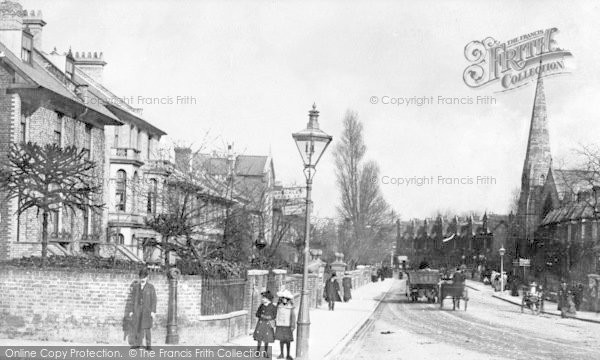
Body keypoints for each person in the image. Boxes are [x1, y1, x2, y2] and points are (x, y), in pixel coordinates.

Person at [125, 268, 157, 350]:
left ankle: (149, 346)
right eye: (141, 277)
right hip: (138, 309)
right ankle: (137, 344)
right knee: (137, 327)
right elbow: (133, 300)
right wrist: (131, 310)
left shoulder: (150, 287)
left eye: (144, 277)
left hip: (147, 310)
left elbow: (154, 300)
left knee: (147, 328)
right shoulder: (136, 287)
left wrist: (153, 311)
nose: (142, 279)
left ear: (147, 277)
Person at [275, 290, 296, 360]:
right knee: (281, 340)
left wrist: (293, 325)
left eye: (286, 299)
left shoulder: (291, 307)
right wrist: (275, 323)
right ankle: (281, 353)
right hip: (280, 325)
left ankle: (288, 354)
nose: (284, 300)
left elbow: (293, 317)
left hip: (288, 326)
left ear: (288, 300)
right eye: (283, 298)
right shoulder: (278, 306)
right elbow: (276, 315)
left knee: (288, 341)